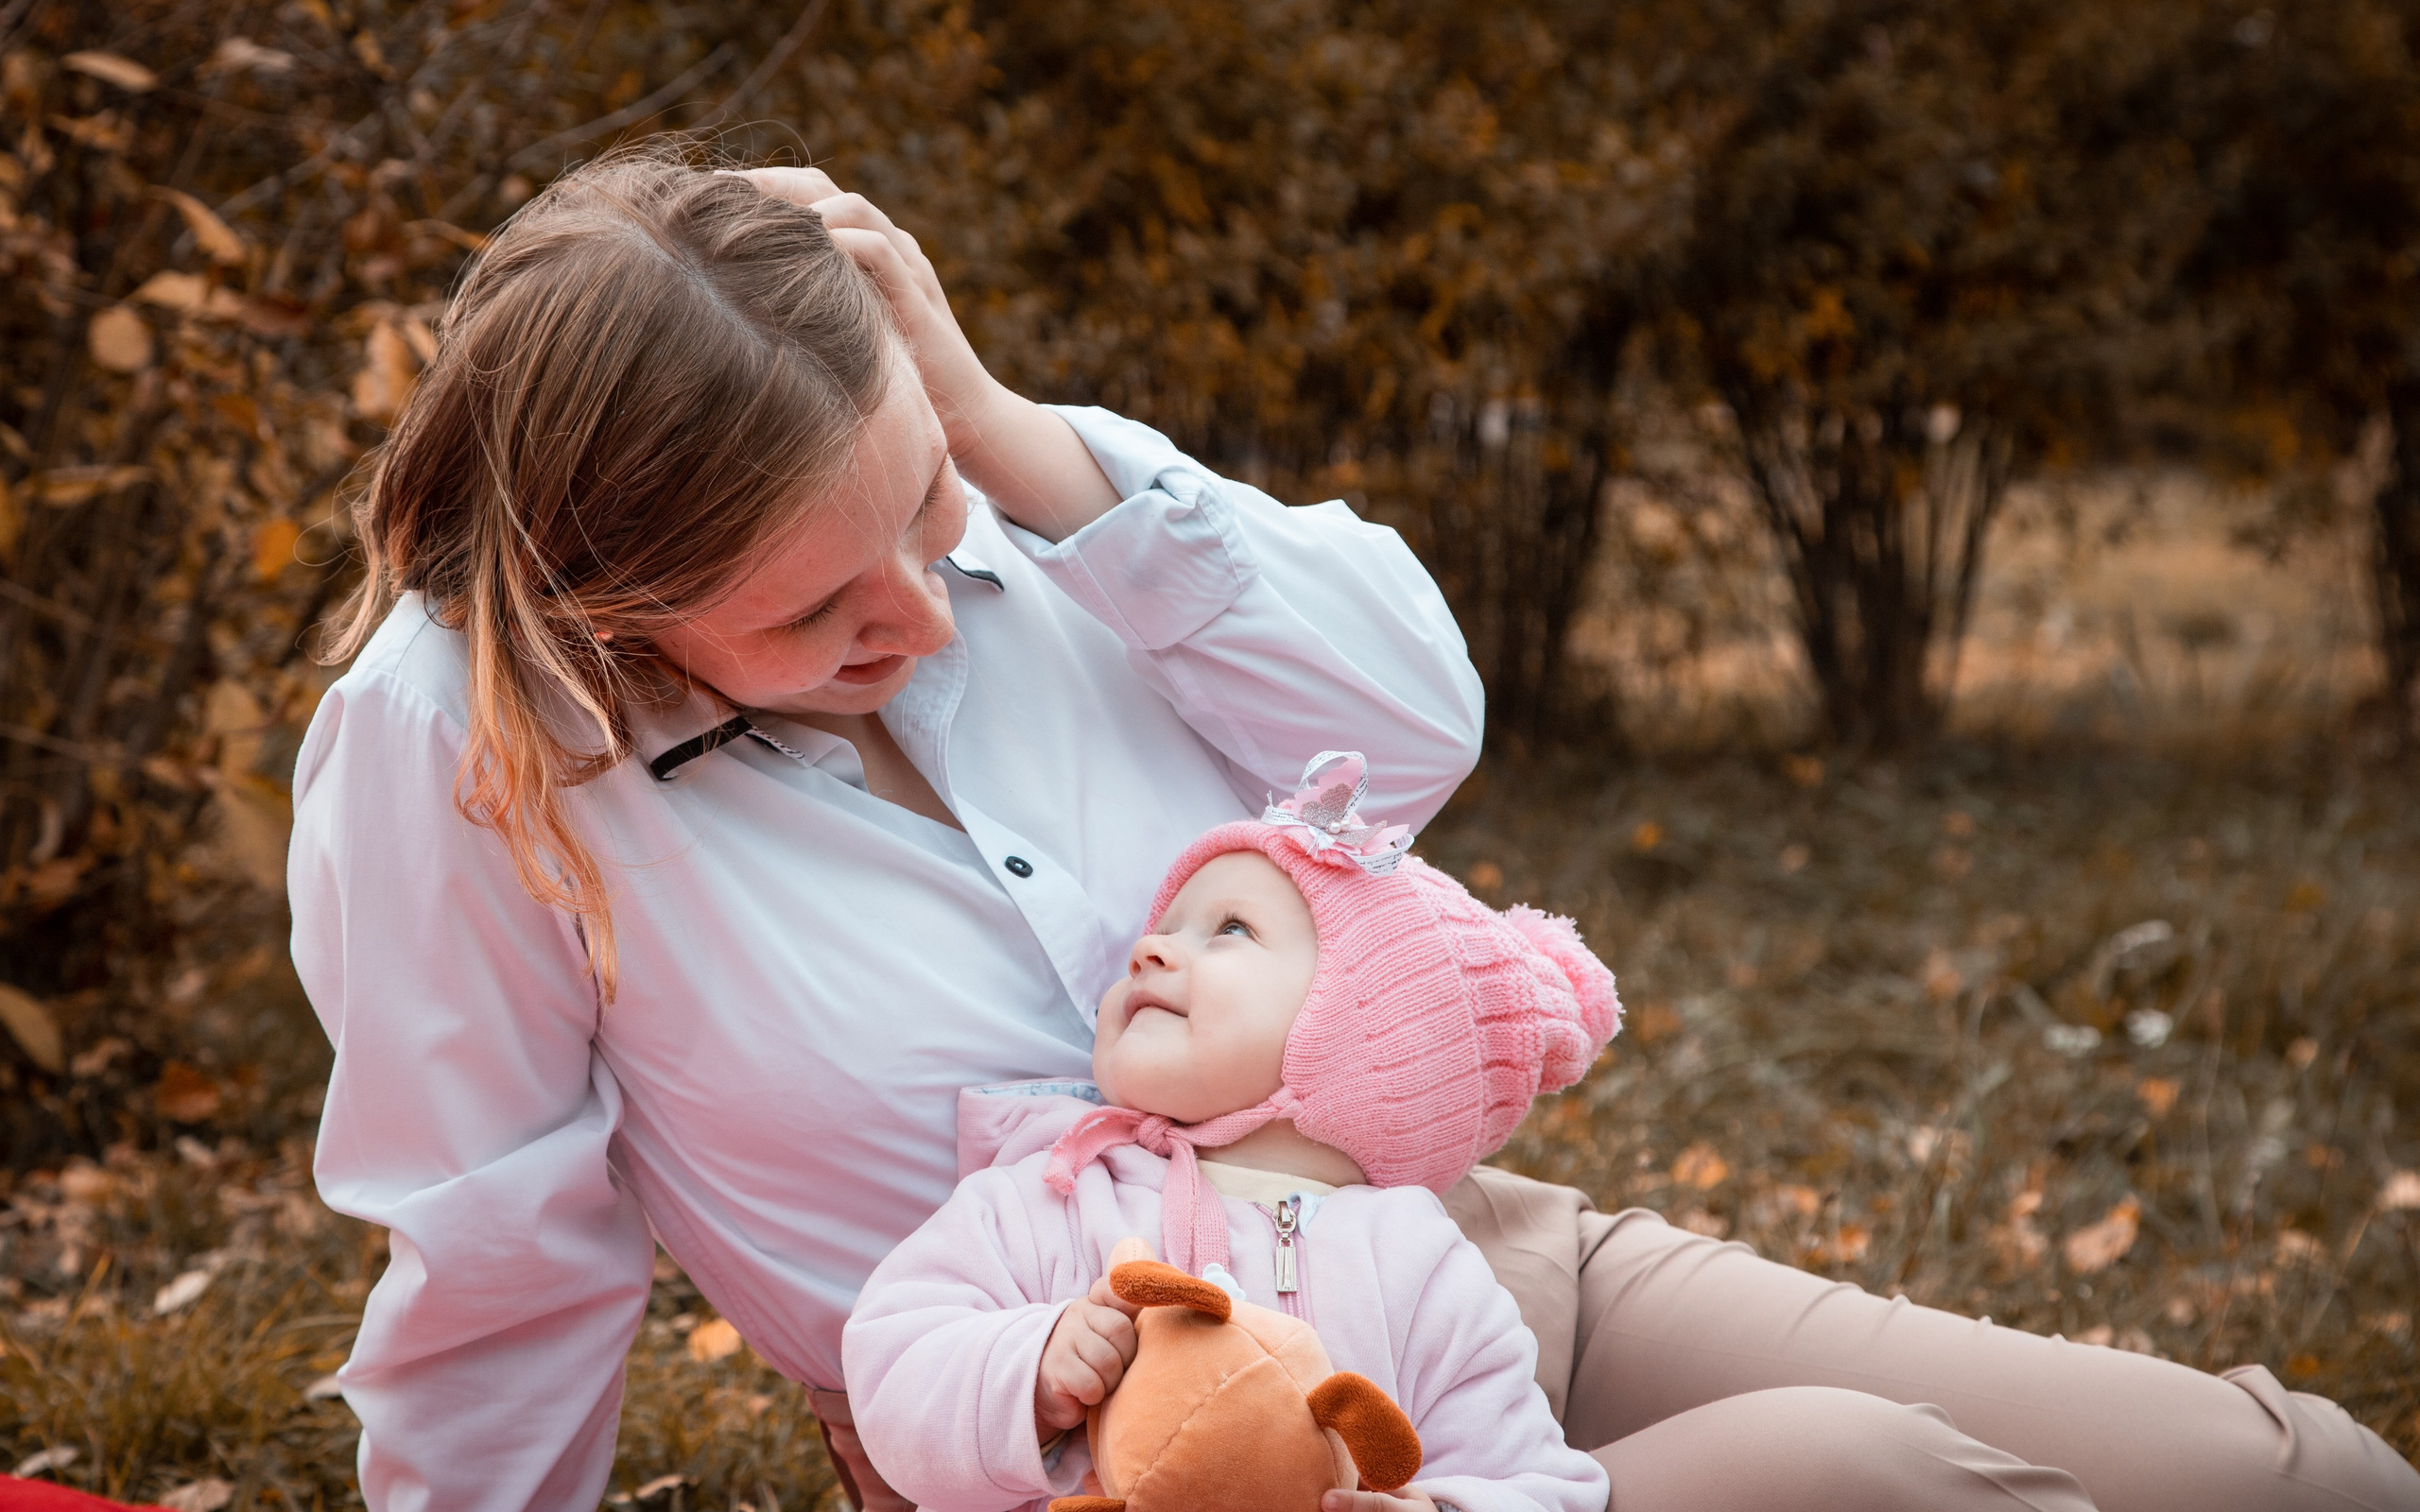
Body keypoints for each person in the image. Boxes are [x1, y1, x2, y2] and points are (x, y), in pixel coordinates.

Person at [287, 148, 2420, 1512]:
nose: (921, 616)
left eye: (918, 511)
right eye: (813, 610)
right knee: (1880, 1479)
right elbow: (501, 1254)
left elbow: (1405, 735)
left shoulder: (1009, 509)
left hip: (1455, 1253)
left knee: (2281, 1472)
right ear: (606, 602)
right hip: (1124, 1442)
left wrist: (1005, 444)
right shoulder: (457, 744)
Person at [843, 755, 1618, 1512]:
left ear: (1368, 1033)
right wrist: (1030, 1371)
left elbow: (1534, 1480)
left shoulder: (1419, 1269)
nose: (1147, 951)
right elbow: (892, 1363)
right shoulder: (1052, 1191)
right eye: (1163, 928)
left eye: (1231, 929)